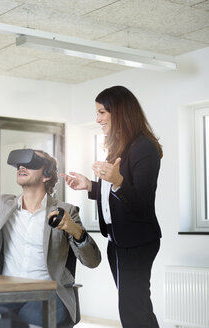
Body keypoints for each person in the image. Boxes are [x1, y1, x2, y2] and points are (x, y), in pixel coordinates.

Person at [0, 127, 101, 327]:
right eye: (19, 163)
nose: (21, 167)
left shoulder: (66, 211)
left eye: (30, 163)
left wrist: (75, 231)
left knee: (31, 319)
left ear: (46, 175)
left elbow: (93, 261)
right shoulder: (2, 206)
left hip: (49, 293)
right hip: (7, 292)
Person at [64, 86, 162, 328]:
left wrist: (118, 180)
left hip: (137, 241)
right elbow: (115, 195)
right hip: (118, 241)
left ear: (120, 113)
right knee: (132, 307)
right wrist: (90, 186)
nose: (97, 119)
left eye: (102, 112)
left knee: (133, 308)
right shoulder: (118, 146)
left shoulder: (144, 148)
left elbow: (141, 205)